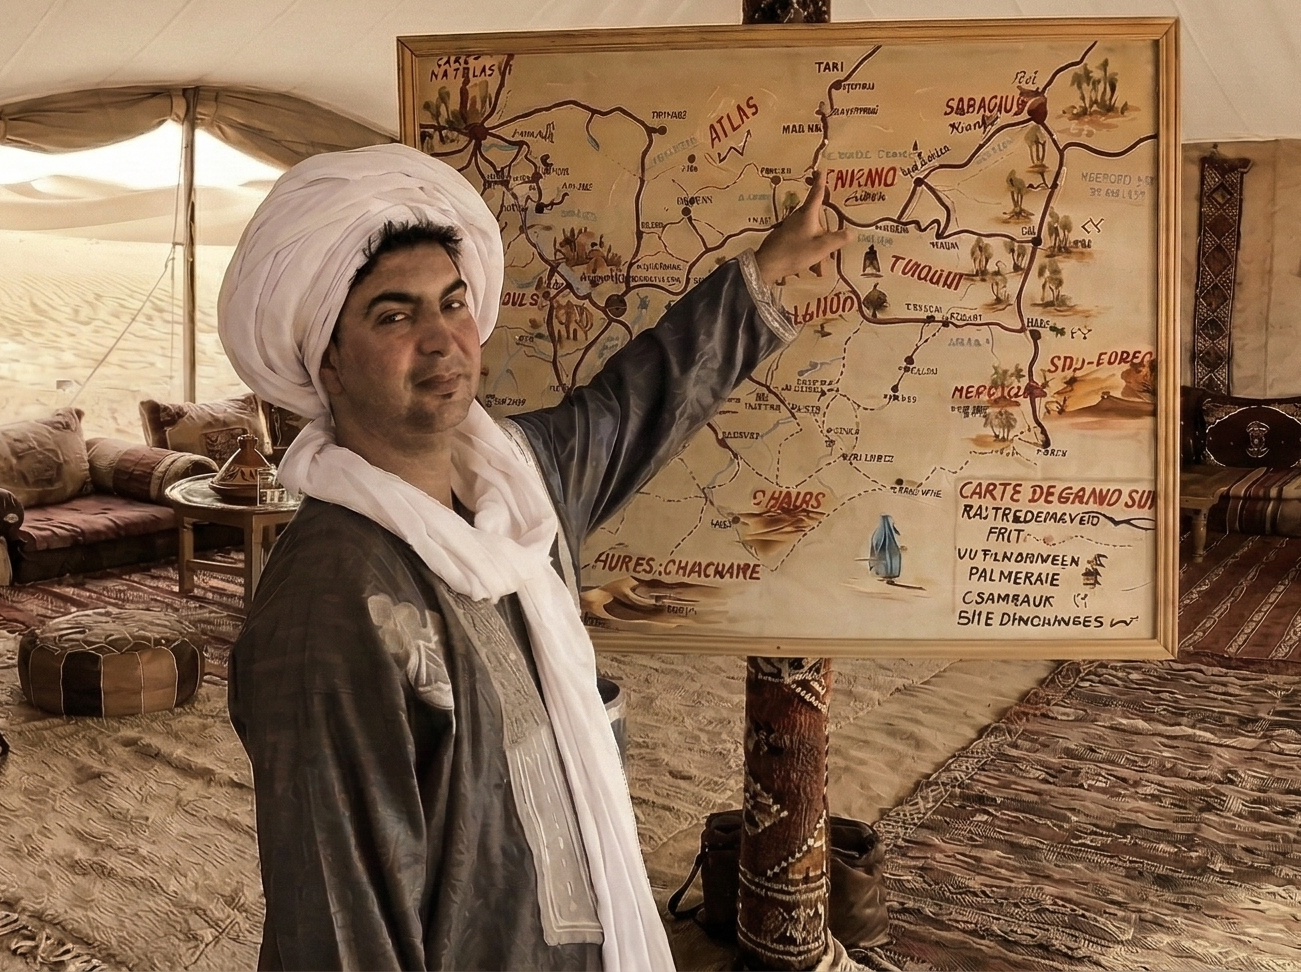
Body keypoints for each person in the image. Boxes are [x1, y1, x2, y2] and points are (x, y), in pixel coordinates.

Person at [220, 145, 849, 971]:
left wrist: (759, 275)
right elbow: (339, 919)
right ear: (326, 358)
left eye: (453, 303)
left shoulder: (518, 488)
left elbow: (636, 405)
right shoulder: (330, 598)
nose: (443, 341)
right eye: (394, 316)